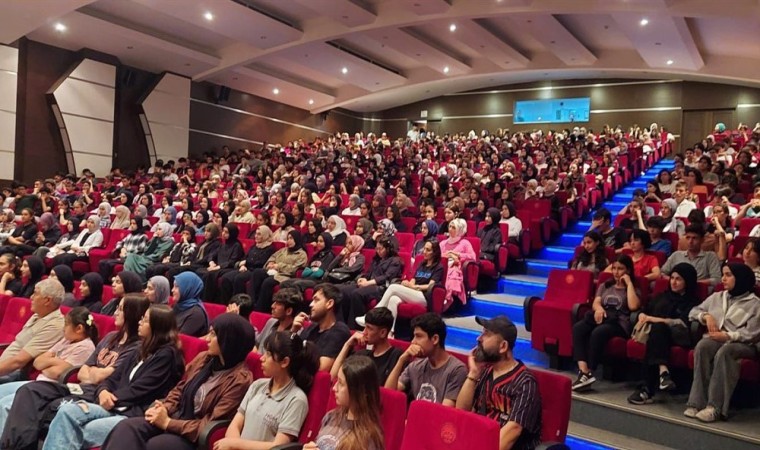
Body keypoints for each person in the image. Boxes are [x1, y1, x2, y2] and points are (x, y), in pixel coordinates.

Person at [0, 295, 149, 450]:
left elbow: (104, 377)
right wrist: (94, 373)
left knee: (35, 404)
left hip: (96, 393)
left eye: (121, 309)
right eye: (117, 308)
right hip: (81, 387)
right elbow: (82, 372)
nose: (116, 312)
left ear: (132, 314)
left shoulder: (136, 347)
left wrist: (93, 372)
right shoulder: (110, 337)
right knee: (31, 390)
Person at [101, 314, 256, 450]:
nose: (207, 339)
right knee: (126, 428)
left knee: (156, 445)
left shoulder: (239, 380)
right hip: (175, 417)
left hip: (192, 435)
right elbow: (180, 389)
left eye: (213, 335)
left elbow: (209, 423)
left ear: (229, 341)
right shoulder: (204, 358)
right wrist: (164, 408)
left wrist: (168, 423)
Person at [41, 305, 185, 450]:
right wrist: (102, 391)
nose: (140, 322)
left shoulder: (167, 356)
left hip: (131, 414)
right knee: (67, 411)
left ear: (158, 326)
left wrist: (111, 398)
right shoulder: (141, 349)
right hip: (112, 404)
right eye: (141, 318)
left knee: (78, 430)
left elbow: (141, 390)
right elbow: (113, 377)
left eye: (145, 320)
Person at [216, 331, 318, 449]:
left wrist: (234, 444)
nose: (262, 358)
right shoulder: (257, 385)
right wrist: (233, 445)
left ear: (284, 362)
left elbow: (278, 447)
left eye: (268, 354)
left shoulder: (297, 400)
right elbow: (235, 424)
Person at [685, 263, 760, 422]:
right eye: (723, 274)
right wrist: (705, 316)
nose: (723, 279)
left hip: (745, 344)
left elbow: (753, 333)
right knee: (703, 346)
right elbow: (693, 311)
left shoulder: (755, 303)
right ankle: (696, 403)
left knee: (726, 352)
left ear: (740, 278)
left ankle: (715, 407)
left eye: (728, 275)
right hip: (717, 339)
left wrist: (728, 336)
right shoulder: (717, 296)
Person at [456, 316, 542, 450]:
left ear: (503, 346)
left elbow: (513, 431)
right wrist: (473, 374)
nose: (479, 339)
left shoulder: (525, 383)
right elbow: (461, 412)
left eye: (486, 334)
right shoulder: (485, 372)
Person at [0, 307, 97, 422]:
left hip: (50, 390)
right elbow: (38, 362)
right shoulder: (66, 340)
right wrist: (56, 362)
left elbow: (56, 373)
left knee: (5, 405)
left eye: (66, 324)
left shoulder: (86, 347)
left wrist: (50, 360)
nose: (63, 328)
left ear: (79, 328)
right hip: (36, 382)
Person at [628, 263, 699, 405]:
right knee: (657, 333)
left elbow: (681, 322)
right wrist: (642, 315)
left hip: (679, 335)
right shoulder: (662, 296)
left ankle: (646, 388)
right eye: (672, 278)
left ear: (687, 281)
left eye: (678, 279)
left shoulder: (693, 301)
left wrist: (652, 319)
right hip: (658, 335)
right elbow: (645, 310)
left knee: (658, 329)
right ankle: (662, 373)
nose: (673, 282)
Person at [572, 255, 641, 391]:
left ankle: (590, 370)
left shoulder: (634, 288)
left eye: (620, 269)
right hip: (602, 317)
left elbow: (633, 306)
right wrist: (599, 309)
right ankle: (583, 371)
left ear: (628, 270)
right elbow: (596, 302)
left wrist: (629, 284)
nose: (616, 272)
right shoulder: (606, 285)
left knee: (598, 332)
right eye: (614, 268)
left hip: (619, 323)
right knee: (578, 328)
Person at [356, 240, 444, 335]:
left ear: (435, 252)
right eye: (424, 249)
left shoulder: (438, 267)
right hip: (413, 292)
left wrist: (415, 287)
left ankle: (370, 317)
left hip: (424, 296)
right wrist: (408, 284)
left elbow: (430, 285)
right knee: (393, 299)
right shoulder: (422, 264)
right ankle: (390, 333)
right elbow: (413, 279)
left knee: (393, 287)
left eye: (428, 250)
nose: (424, 252)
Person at [384, 312, 467, 405]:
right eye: (414, 336)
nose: (413, 342)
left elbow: (446, 410)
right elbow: (388, 395)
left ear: (435, 339)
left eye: (418, 336)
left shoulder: (456, 369)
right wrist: (401, 360)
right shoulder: (415, 366)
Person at [303, 355, 384, 450]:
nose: (334, 388)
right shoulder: (331, 416)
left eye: (341, 383)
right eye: (337, 381)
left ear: (359, 390)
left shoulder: (368, 438)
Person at [0, 279, 65, 379]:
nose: (31, 297)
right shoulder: (38, 314)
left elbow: (19, 361)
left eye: (35, 293)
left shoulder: (55, 326)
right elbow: (18, 344)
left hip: (13, 373)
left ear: (47, 300)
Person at [339, 235, 403, 329]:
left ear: (388, 249)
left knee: (357, 294)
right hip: (368, 283)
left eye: (381, 249)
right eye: (377, 248)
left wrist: (368, 283)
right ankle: (342, 323)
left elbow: (386, 277)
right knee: (344, 291)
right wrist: (363, 278)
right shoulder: (377, 259)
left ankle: (356, 327)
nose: (378, 251)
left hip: (381, 287)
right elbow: (369, 272)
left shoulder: (395, 261)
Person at [331, 307, 403, 386]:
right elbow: (333, 377)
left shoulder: (396, 355)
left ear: (383, 333)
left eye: (369, 328)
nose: (364, 332)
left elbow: (389, 391)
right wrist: (347, 345)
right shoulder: (362, 354)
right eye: (365, 327)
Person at [293, 283, 351, 372]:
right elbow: (288, 355)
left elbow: (321, 368)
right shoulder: (312, 327)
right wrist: (293, 331)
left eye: (316, 300)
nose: (311, 304)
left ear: (329, 303)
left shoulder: (340, 331)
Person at [248, 230, 308, 312]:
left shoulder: (302, 254)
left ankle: (261, 309)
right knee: (257, 273)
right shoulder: (283, 250)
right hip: (273, 271)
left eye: (291, 238)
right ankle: (251, 303)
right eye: (287, 238)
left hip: (284, 276)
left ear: (297, 239)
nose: (288, 241)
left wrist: (279, 266)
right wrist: (270, 263)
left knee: (268, 282)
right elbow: (273, 257)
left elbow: (295, 269)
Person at [218, 225, 276, 305]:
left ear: (265, 235)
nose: (256, 236)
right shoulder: (254, 246)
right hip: (245, 268)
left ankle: (239, 304)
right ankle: (225, 303)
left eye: (259, 234)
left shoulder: (270, 249)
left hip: (255, 271)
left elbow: (261, 263)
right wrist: (242, 265)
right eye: (256, 234)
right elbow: (245, 258)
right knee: (226, 277)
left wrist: (246, 263)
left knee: (239, 278)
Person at [201, 223, 245, 303]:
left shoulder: (237, 245)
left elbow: (232, 262)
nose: (223, 234)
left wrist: (218, 267)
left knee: (210, 274)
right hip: (218, 267)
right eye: (223, 231)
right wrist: (211, 262)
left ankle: (209, 300)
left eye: (226, 232)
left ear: (232, 233)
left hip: (229, 268)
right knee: (202, 272)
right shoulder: (223, 244)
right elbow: (212, 255)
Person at [439, 218, 477, 306]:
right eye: (450, 226)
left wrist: (458, 255)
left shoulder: (465, 243)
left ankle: (448, 298)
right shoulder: (443, 243)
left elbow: (473, 257)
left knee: (453, 271)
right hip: (443, 265)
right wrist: (446, 256)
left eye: (453, 228)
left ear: (460, 230)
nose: (450, 229)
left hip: (456, 267)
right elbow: (437, 256)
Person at [254, 288, 300, 352]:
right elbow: (257, 345)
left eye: (278, 304)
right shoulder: (271, 322)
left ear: (289, 311)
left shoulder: (296, 333)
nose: (272, 306)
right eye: (274, 302)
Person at [171, 272, 209, 337]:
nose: (172, 290)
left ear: (188, 289)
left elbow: (179, 338)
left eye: (176, 287)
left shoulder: (196, 314)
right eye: (173, 286)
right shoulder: (178, 305)